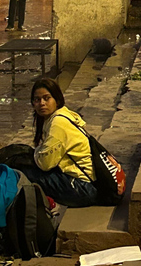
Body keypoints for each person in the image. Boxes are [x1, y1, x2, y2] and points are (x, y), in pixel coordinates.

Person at [22, 78, 98, 207]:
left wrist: (36, 153)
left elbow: (45, 163)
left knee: (22, 173)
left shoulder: (58, 123)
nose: (41, 103)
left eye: (47, 98)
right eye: (37, 100)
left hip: (83, 187)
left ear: (57, 100)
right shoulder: (61, 116)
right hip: (85, 184)